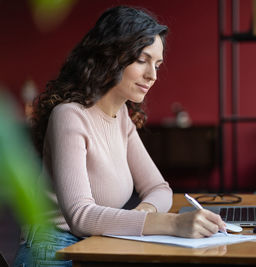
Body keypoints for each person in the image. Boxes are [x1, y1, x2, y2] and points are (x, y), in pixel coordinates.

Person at [13, 6, 225, 267]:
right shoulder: (69, 115)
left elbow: (159, 189)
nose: (153, 75)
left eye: (157, 64)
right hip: (53, 248)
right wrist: (170, 222)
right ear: (110, 55)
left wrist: (142, 213)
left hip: (97, 244)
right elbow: (79, 216)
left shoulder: (122, 116)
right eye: (142, 60)